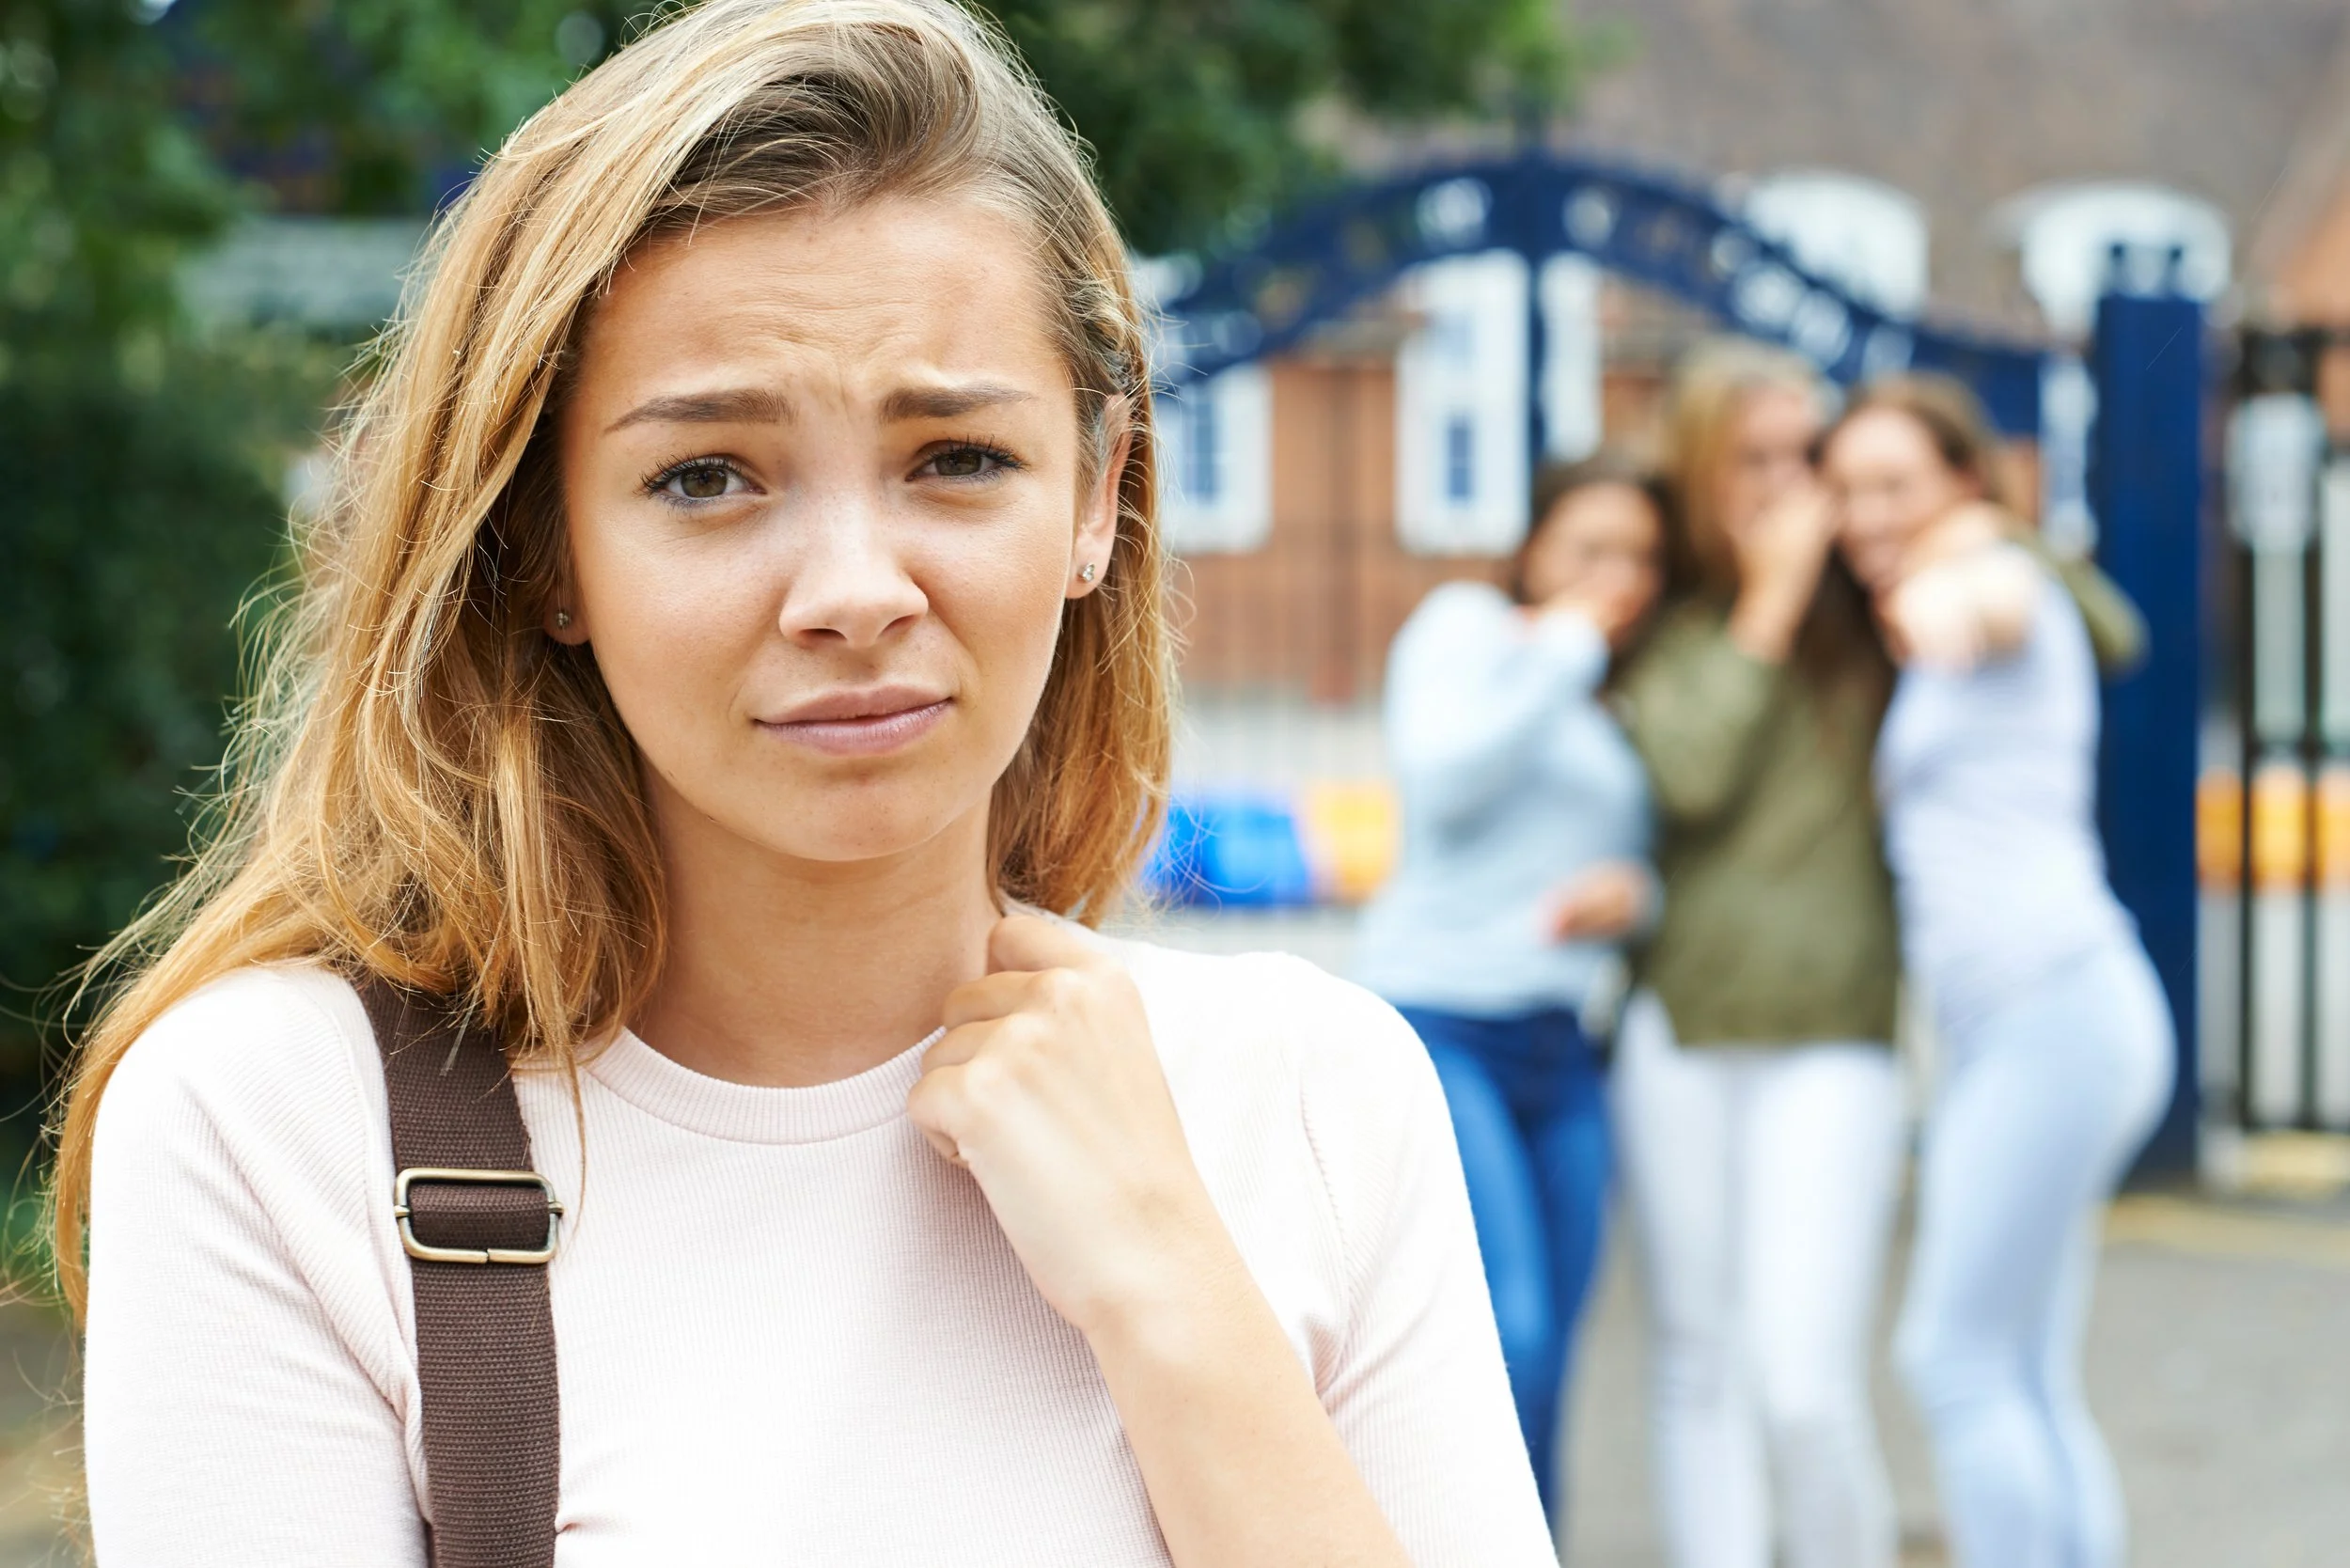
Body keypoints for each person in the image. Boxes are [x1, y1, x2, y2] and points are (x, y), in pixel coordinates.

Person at [59, 5, 1559, 1564]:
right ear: (547, 548)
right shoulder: (281, 1124)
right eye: (706, 476)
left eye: (957, 457)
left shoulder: (1316, 1095)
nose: (853, 588)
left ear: (1099, 498)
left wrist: (1169, 1290)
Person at [1821, 375, 2173, 1568]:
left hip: (2051, 1011)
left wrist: (1960, 567)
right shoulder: (1950, 595)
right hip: (2027, 1022)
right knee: (2020, 1365)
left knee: (1952, 1358)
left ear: (1964, 485)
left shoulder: (1999, 583)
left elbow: (1985, 607)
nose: (1864, 514)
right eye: (1846, 489)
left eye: (1894, 487)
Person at [1607, 341, 1909, 1568]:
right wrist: (1764, 607)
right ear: (1699, 471)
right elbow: (1688, 772)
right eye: (1757, 462)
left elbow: (2092, 621)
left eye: (1808, 459)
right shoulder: (1667, 625)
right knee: (1699, 1361)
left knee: (1801, 1380)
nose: (1791, 489)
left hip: (1831, 1038)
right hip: (1678, 1030)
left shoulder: (1873, 615)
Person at [1354, 455, 1667, 1518]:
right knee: (1507, 1333)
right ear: (1533, 550)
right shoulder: (1470, 633)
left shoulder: (1611, 696)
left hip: (1560, 1044)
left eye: (1639, 559)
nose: (1617, 578)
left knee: (1558, 1345)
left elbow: (1631, 865)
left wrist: (1641, 897)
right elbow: (1442, 778)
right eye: (1590, 551)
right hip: (1442, 1026)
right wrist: (1569, 640)